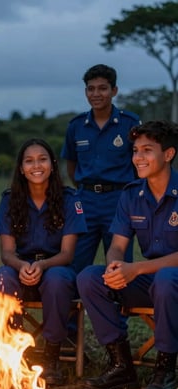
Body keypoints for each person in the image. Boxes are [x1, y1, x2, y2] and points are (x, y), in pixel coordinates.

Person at [77, 120, 178, 389]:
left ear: (168, 154)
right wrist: (115, 266)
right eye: (135, 151)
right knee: (89, 278)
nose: (138, 158)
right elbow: (118, 245)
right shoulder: (131, 194)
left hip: (171, 281)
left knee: (166, 279)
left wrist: (137, 269)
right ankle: (121, 366)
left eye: (147, 150)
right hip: (150, 280)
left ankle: (165, 372)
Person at [0, 138, 87, 385]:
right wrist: (23, 266)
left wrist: (41, 266)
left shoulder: (68, 198)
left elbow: (67, 254)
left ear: (52, 165)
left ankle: (51, 356)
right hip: (20, 267)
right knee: (2, 277)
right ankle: (12, 352)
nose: (36, 165)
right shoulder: (10, 199)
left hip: (55, 267)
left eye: (42, 159)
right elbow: (7, 253)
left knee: (56, 280)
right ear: (21, 168)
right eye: (29, 161)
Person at [61, 64, 141, 273]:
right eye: (91, 88)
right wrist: (85, 189)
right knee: (76, 262)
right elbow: (71, 165)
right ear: (86, 91)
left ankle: (119, 304)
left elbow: (139, 164)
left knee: (119, 264)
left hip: (118, 201)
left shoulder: (130, 124)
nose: (96, 94)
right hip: (85, 200)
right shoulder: (76, 126)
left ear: (114, 91)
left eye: (103, 88)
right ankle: (74, 304)